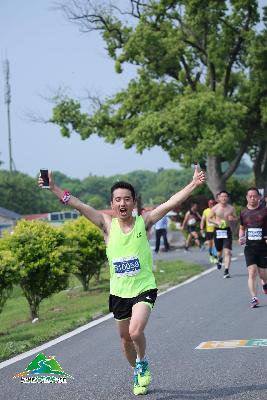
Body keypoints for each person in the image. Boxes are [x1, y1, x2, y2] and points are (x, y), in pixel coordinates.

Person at [38, 167, 205, 396]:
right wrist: (54, 188)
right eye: (118, 199)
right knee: (125, 340)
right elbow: (77, 204)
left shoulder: (143, 222)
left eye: (127, 199)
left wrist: (193, 184)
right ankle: (137, 369)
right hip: (118, 293)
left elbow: (168, 203)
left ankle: (143, 361)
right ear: (113, 203)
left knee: (136, 332)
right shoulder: (106, 224)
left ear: (134, 202)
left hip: (143, 288)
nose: (122, 203)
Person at [239, 187, 267, 308]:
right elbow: (242, 228)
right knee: (252, 272)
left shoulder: (265, 211)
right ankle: (254, 298)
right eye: (250, 196)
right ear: (246, 197)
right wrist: (241, 237)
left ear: (259, 197)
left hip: (263, 246)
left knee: (262, 274)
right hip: (249, 247)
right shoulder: (243, 212)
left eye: (254, 196)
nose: (252, 198)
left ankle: (265, 283)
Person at [208, 191, 237, 278]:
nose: (224, 198)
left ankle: (226, 271)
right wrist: (216, 221)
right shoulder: (215, 208)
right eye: (222, 196)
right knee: (219, 251)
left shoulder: (231, 208)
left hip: (227, 231)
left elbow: (235, 218)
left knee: (227, 252)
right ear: (219, 198)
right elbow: (209, 219)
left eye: (225, 196)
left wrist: (232, 218)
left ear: (227, 198)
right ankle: (219, 259)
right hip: (218, 230)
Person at [200, 199, 217, 263]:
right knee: (210, 244)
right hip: (208, 230)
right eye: (210, 203)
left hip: (216, 229)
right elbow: (202, 220)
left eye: (213, 203)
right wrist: (201, 229)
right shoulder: (206, 211)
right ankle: (211, 256)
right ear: (208, 204)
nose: (211, 204)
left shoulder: (216, 210)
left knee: (215, 244)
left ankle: (215, 257)